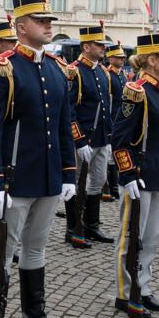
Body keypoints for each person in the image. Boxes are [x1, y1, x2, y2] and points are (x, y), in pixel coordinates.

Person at [0, 0, 77, 318]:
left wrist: (68, 173)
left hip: (48, 177)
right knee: (3, 254)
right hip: (15, 180)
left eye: (50, 19)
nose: (49, 25)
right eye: (41, 19)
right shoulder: (2, 69)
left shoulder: (56, 69)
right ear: (20, 26)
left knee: (36, 249)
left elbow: (64, 126)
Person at [111, 31, 159, 318]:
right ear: (152, 60)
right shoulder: (135, 91)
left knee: (150, 237)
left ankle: (144, 287)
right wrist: (127, 173)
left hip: (158, 172)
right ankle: (126, 293)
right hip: (138, 173)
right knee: (131, 236)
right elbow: (120, 138)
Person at [64, 23, 113, 247]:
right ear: (86, 47)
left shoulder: (102, 72)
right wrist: (79, 139)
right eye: (98, 44)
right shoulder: (75, 72)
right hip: (83, 139)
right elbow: (69, 110)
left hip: (101, 138)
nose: (103, 48)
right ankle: (73, 228)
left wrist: (109, 136)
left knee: (99, 180)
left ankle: (92, 224)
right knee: (76, 183)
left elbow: (106, 106)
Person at [101, 41, 127, 202]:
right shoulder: (109, 75)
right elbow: (108, 100)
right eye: (119, 57)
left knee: (116, 153)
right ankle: (111, 187)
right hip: (112, 119)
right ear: (111, 59)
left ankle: (115, 185)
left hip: (121, 120)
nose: (122, 59)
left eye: (123, 57)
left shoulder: (121, 75)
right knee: (109, 156)